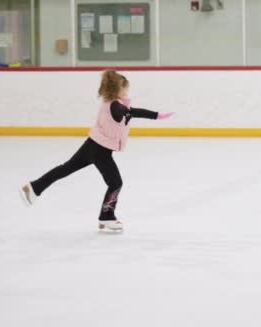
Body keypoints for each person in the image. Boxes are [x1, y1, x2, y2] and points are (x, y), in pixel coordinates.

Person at [19, 70, 175, 233]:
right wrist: (153, 115)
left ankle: (34, 187)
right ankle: (106, 217)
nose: (127, 91)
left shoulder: (111, 103)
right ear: (116, 89)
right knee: (115, 183)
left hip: (92, 145)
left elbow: (131, 111)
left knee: (65, 168)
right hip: (100, 150)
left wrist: (156, 115)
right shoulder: (115, 106)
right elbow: (129, 112)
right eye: (124, 88)